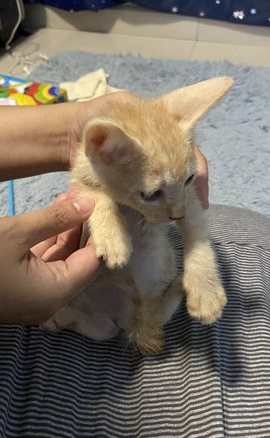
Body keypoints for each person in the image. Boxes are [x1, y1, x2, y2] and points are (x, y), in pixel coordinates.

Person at [1, 93, 269, 438]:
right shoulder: (107, 159)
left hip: (148, 287)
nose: (176, 213)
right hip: (88, 297)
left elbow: (191, 219)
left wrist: (200, 269)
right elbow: (87, 189)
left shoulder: (159, 178)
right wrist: (103, 214)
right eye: (152, 194)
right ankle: (79, 317)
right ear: (102, 151)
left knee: (248, 237)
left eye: (187, 180)